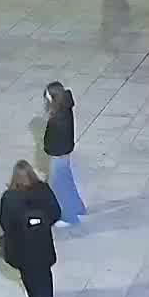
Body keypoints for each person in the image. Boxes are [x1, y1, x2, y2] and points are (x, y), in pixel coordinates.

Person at [0, 161, 62, 297]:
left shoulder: (9, 197)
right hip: (41, 244)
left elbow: (5, 223)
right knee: (45, 278)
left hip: (20, 248)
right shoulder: (43, 190)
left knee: (29, 279)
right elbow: (56, 213)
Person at [43, 83, 87, 225]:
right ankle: (77, 207)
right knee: (66, 181)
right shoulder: (64, 109)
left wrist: (48, 148)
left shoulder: (58, 116)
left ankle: (69, 215)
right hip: (63, 151)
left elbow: (55, 138)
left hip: (59, 153)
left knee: (58, 185)